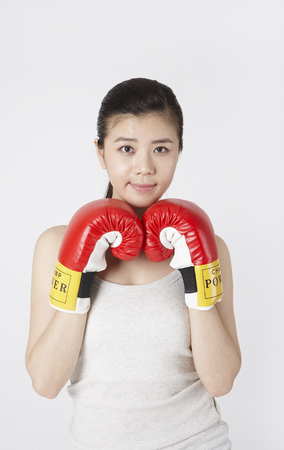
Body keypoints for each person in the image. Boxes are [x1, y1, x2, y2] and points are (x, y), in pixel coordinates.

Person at [25, 78, 241, 449]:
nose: (144, 167)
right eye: (126, 148)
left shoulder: (209, 245)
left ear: (178, 151)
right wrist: (78, 274)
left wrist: (194, 272)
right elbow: (45, 383)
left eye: (161, 148)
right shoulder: (56, 245)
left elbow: (220, 381)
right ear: (100, 151)